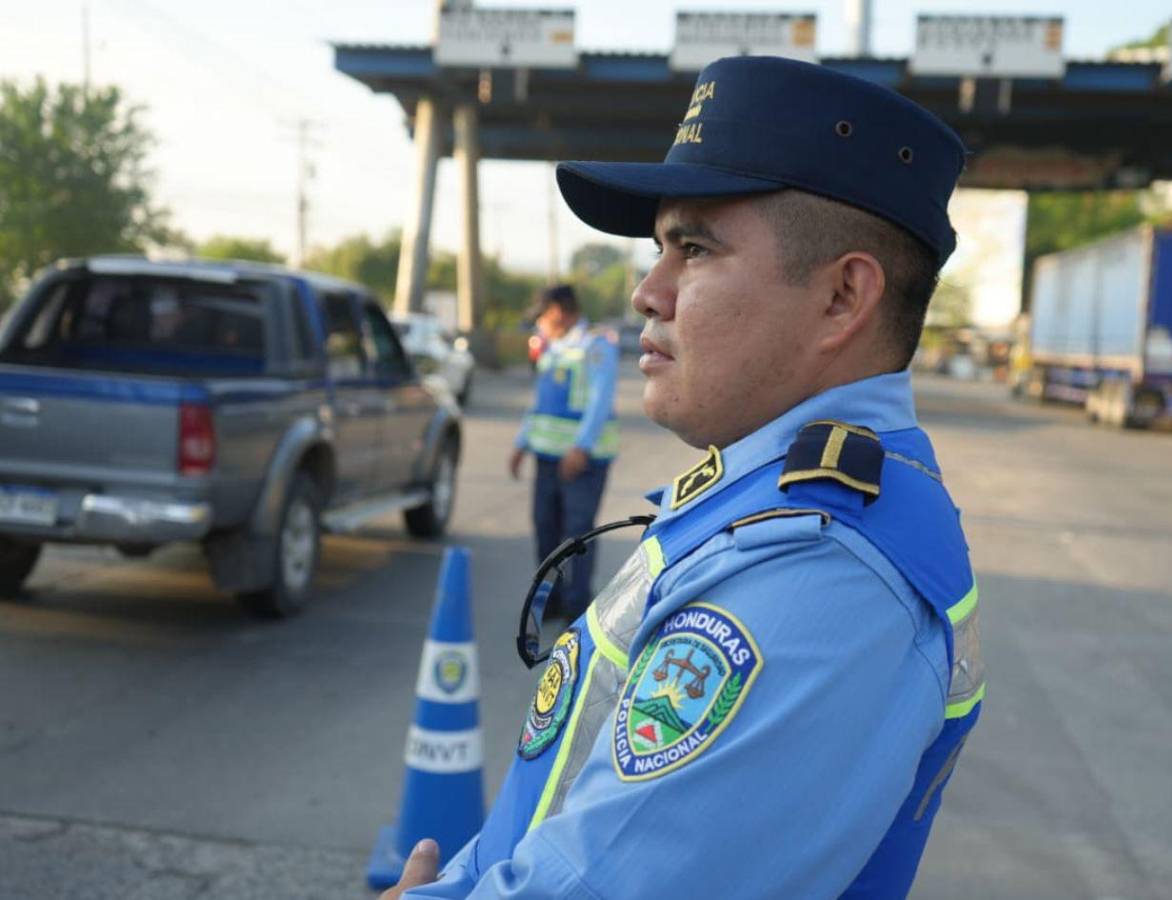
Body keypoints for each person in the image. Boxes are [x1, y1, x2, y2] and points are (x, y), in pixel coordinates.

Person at [385, 55, 984, 900]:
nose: (645, 291)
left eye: (694, 249)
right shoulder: (766, 488)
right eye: (659, 248)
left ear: (843, 298)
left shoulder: (822, 573)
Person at [508, 284, 620, 621]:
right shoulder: (553, 348)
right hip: (546, 456)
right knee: (545, 529)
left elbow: (600, 402)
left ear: (557, 311)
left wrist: (581, 447)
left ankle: (577, 608)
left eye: (542, 315)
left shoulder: (596, 346)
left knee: (577, 534)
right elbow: (540, 403)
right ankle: (549, 603)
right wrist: (521, 443)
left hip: (583, 461)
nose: (539, 323)